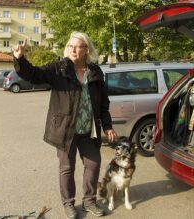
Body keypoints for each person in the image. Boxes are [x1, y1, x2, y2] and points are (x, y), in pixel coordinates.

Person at [12, 31, 117, 219]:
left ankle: (89, 201)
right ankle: (68, 204)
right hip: (65, 130)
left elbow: (103, 103)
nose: (73, 50)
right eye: (70, 46)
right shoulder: (59, 69)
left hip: (89, 129)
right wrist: (20, 58)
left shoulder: (95, 71)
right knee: (67, 167)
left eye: (78, 46)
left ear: (86, 50)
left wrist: (107, 126)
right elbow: (34, 75)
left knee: (93, 164)